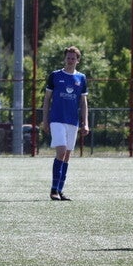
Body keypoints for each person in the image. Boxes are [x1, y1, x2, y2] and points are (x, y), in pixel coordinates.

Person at [42, 46, 90, 201]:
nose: (70, 60)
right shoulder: (55, 76)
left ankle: (60, 190)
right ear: (64, 59)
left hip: (72, 121)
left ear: (77, 60)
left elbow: (83, 102)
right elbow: (47, 99)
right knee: (61, 151)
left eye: (73, 58)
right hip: (57, 119)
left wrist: (85, 123)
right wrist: (45, 120)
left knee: (67, 155)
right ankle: (53, 190)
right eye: (68, 58)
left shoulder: (81, 78)